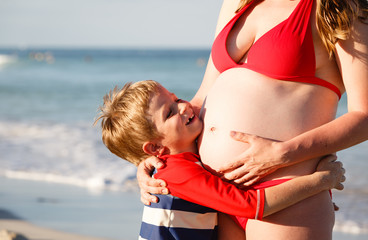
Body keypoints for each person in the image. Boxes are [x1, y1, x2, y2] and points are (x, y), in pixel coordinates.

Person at [137, 0, 368, 239]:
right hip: (218, 195)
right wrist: (155, 159)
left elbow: (364, 116)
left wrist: (283, 153)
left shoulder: (341, 8)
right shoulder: (237, 2)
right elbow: (202, 96)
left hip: (287, 190)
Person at [95, 80, 345, 240]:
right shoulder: (177, 174)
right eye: (169, 112)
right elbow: (249, 205)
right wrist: (321, 181)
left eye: (175, 99)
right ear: (155, 147)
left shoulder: (185, 163)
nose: (183, 107)